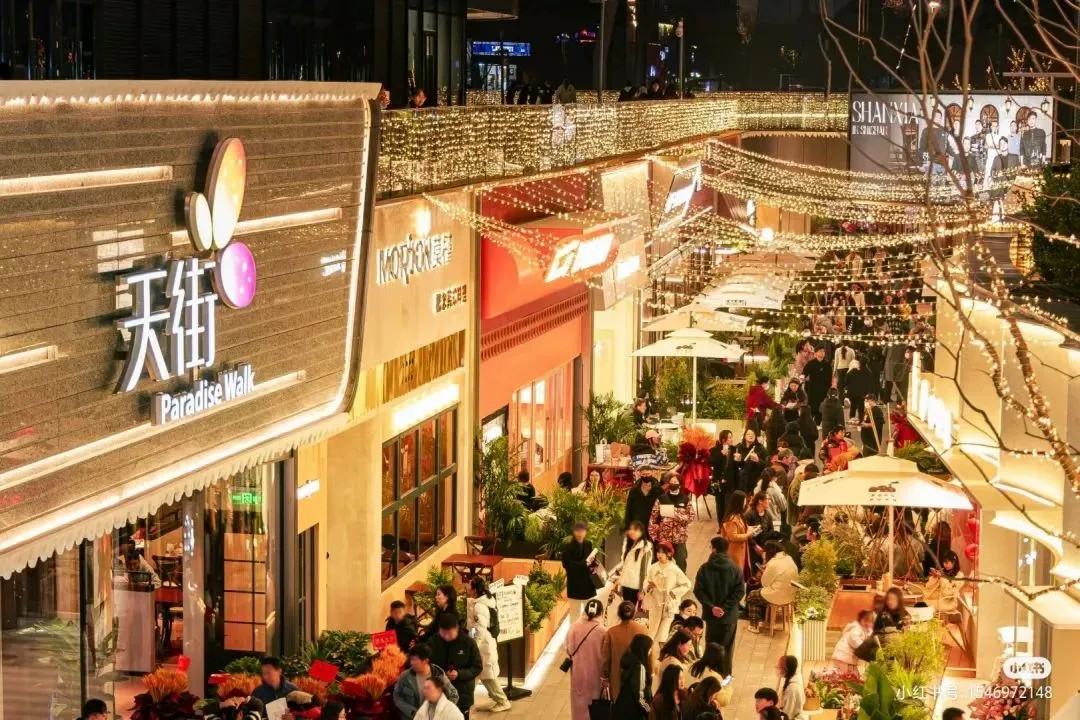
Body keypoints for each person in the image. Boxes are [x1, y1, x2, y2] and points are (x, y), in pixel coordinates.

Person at [694, 537, 745, 676]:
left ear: (714, 549)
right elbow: (740, 591)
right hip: (729, 618)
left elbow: (698, 590)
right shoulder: (735, 568)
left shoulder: (705, 568)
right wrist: (725, 607)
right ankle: (725, 678)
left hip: (711, 617)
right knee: (727, 649)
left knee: (711, 646)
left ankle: (710, 676)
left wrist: (712, 607)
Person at [466, 577, 511, 713]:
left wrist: (473, 644)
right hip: (484, 643)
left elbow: (478, 628)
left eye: (469, 585)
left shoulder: (479, 606)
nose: (467, 587)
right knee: (481, 675)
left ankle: (503, 701)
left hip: (483, 646)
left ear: (474, 590)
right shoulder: (482, 602)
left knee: (488, 676)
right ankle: (467, 701)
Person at [426, 612, 483, 719]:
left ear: (456, 628)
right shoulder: (433, 642)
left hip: (463, 694)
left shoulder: (468, 643)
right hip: (439, 693)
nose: (446, 636)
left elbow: (477, 667)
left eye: (449, 633)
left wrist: (459, 674)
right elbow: (427, 664)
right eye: (443, 633)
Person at [566, 598, 608, 720]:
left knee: (578, 703)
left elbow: (568, 648)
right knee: (594, 705)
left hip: (578, 673)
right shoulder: (604, 631)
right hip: (596, 675)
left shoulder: (574, 627)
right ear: (601, 613)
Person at [394, 644, 460, 720]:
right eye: (411, 659)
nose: (411, 663)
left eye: (415, 660)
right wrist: (413, 712)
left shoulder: (439, 675)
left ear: (425, 661)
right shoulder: (405, 676)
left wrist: (442, 712)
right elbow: (397, 697)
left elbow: (454, 695)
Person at [603, 601, 653, 699]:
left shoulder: (611, 632)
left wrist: (606, 674)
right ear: (634, 613)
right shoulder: (644, 630)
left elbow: (606, 658)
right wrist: (650, 672)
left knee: (619, 703)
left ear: (619, 613)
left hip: (617, 677)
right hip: (639, 677)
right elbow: (650, 656)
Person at [644, 542, 692, 642]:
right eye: (658, 552)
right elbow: (646, 582)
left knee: (663, 634)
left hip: (669, 605)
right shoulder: (653, 567)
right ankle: (650, 649)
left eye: (662, 552)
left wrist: (674, 592)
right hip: (655, 603)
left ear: (669, 554)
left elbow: (687, 584)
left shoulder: (674, 569)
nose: (659, 555)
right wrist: (648, 587)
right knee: (652, 630)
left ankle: (660, 649)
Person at [745, 541, 798, 633]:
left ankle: (754, 626)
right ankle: (767, 620)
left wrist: (764, 572)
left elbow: (765, 583)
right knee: (764, 592)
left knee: (751, 596)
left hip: (777, 596)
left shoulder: (773, 563)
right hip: (790, 595)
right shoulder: (789, 558)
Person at [649, 476, 695, 571]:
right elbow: (653, 517)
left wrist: (675, 514)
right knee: (665, 561)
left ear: (679, 484)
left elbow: (691, 517)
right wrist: (654, 534)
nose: (673, 483)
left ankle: (681, 577)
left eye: (675, 481)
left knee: (680, 559)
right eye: (671, 481)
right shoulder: (661, 499)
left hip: (680, 537)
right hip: (665, 537)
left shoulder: (685, 499)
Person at [613, 634, 655, 719]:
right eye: (650, 648)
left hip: (622, 707)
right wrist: (649, 710)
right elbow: (639, 696)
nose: (651, 651)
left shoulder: (628, 663)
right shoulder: (639, 667)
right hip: (634, 712)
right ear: (643, 649)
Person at [562, 520, 598, 619]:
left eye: (582, 531)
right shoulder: (568, 547)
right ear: (574, 532)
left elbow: (592, 562)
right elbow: (567, 564)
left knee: (589, 615)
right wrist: (584, 563)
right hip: (575, 586)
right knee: (574, 616)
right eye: (577, 531)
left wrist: (593, 563)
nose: (580, 533)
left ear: (586, 532)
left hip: (588, 585)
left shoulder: (588, 544)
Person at [614, 521, 654, 604]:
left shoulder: (645, 548)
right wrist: (619, 581)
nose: (632, 531)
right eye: (631, 529)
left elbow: (644, 571)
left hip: (635, 586)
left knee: (630, 608)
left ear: (642, 532)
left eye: (635, 529)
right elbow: (626, 566)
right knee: (625, 607)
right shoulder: (632, 545)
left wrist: (642, 590)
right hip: (627, 583)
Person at [720, 491, 756, 579]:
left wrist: (751, 528)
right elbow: (733, 536)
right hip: (734, 553)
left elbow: (742, 528)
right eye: (744, 502)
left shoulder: (738, 515)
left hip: (740, 551)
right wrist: (748, 534)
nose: (745, 504)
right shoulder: (732, 519)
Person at [688, 644, 732, 709]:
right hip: (702, 708)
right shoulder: (714, 677)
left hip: (689, 701)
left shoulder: (692, 666)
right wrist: (728, 685)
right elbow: (724, 700)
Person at [731, 429, 767, 494]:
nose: (751, 436)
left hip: (754, 480)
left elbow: (767, 464)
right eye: (748, 434)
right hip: (740, 480)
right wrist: (737, 461)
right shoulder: (739, 447)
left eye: (753, 434)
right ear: (744, 436)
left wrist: (758, 460)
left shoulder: (760, 448)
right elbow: (734, 465)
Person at [710, 430, 735, 522]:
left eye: (731, 437)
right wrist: (721, 454)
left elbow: (738, 466)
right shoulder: (714, 450)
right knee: (720, 505)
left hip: (730, 482)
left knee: (728, 505)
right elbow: (710, 462)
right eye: (730, 437)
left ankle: (726, 525)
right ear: (723, 440)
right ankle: (721, 525)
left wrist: (739, 460)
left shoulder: (734, 449)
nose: (732, 439)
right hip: (718, 482)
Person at [802, 348, 831, 424]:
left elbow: (830, 378)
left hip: (824, 390)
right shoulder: (811, 363)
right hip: (813, 390)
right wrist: (803, 378)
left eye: (824, 351)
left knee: (821, 407)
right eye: (820, 351)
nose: (823, 353)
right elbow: (804, 373)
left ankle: (818, 423)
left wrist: (829, 389)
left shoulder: (827, 364)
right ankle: (810, 423)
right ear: (816, 353)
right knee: (812, 407)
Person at [778, 655, 806, 720]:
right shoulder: (792, 682)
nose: (778, 669)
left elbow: (788, 713)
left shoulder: (792, 688)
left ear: (786, 668)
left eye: (780, 667)